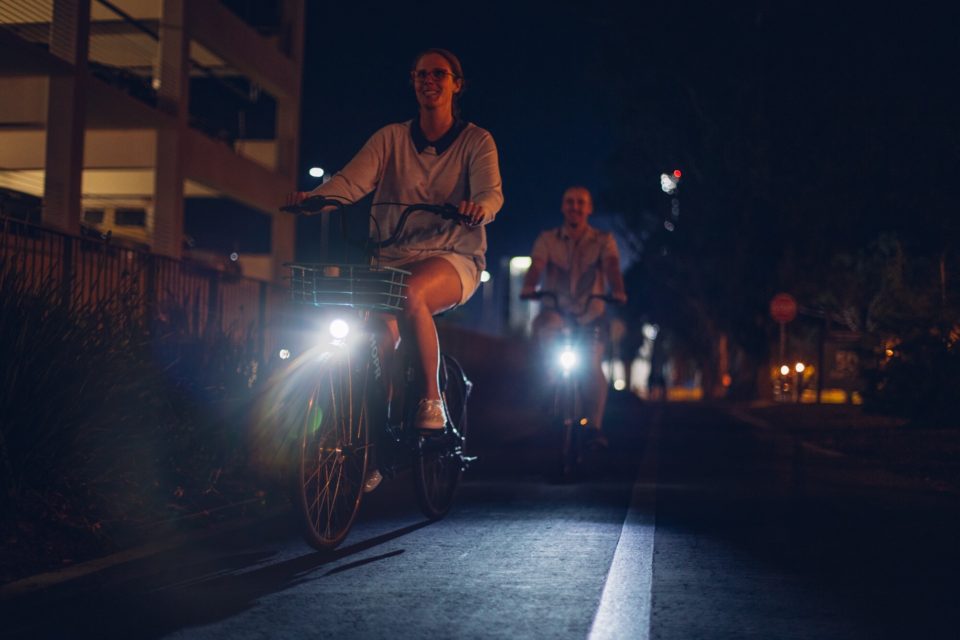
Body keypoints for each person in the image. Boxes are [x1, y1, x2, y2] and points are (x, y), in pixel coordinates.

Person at [287, 48, 503, 439]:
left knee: (408, 291)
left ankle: (432, 398)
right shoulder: (391, 138)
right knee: (374, 335)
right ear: (413, 82)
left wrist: (478, 207)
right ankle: (374, 436)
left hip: (452, 255)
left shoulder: (476, 141)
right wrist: (316, 199)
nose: (429, 81)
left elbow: (492, 193)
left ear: (457, 84)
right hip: (389, 257)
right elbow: (351, 182)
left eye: (439, 74)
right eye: (421, 75)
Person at [519, 186, 626, 445]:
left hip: (592, 314)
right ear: (562, 207)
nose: (575, 207)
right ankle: (548, 387)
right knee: (545, 342)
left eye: (581, 203)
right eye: (569, 202)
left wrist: (618, 290)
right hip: (556, 311)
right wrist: (529, 286)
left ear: (589, 208)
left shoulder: (603, 240)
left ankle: (595, 425)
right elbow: (537, 267)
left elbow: (612, 267)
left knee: (591, 365)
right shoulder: (548, 239)